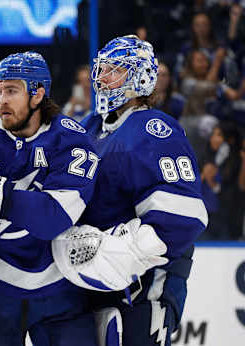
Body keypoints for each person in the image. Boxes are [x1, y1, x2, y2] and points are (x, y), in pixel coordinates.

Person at [53, 35, 208, 346]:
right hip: (94, 281)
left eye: (115, 70)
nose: (102, 78)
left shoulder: (154, 129)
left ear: (141, 77)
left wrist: (124, 253)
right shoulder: (90, 127)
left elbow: (183, 218)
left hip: (143, 284)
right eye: (102, 69)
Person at [0, 52, 100, 345]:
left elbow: (54, 217)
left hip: (60, 292)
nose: (2, 100)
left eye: (12, 90)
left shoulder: (71, 141)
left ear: (38, 93)